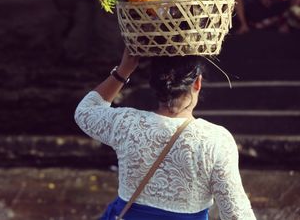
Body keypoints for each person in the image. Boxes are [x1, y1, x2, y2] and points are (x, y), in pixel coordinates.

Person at [74, 48, 256, 220]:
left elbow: (85, 111)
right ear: (198, 83)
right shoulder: (216, 140)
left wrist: (123, 70)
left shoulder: (127, 124)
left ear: (154, 84)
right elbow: (236, 214)